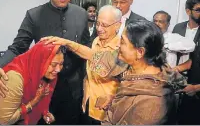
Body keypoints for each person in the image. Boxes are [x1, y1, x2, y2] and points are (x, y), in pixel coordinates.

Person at [0, 0, 90, 125]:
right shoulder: (34, 15)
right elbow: (17, 47)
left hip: (73, 90)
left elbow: (86, 49)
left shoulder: (81, 14)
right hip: (44, 90)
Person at [42, 20, 183, 124]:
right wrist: (66, 42)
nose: (118, 46)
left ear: (140, 52)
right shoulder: (133, 65)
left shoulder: (151, 104)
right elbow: (94, 56)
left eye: (122, 42)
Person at [0, 41, 64, 125]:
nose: (58, 69)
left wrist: (44, 112)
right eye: (54, 64)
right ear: (40, 61)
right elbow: (6, 120)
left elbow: (43, 98)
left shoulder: (46, 74)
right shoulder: (15, 79)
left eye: (61, 64)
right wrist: (34, 101)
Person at [176, 0, 200, 125]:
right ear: (188, 11)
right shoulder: (178, 28)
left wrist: (196, 88)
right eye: (198, 10)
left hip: (196, 87)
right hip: (177, 82)